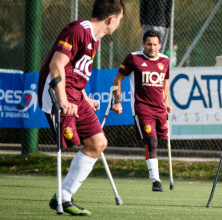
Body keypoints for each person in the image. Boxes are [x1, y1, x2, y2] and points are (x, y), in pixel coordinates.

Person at [38, 0, 125, 216]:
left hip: (76, 96)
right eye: (120, 20)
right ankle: (63, 197)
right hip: (57, 95)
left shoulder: (94, 40)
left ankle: (63, 196)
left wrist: (86, 98)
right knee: (71, 140)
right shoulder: (77, 30)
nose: (119, 24)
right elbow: (56, 65)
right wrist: (63, 101)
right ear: (111, 19)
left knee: (98, 143)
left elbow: (76, 73)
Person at [112, 30, 172, 192]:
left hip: (160, 109)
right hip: (142, 108)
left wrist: (167, 102)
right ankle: (156, 180)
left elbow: (166, 82)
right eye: (149, 44)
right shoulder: (133, 58)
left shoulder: (165, 60)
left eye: (155, 44)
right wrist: (116, 101)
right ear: (143, 44)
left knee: (161, 141)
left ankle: (158, 177)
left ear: (160, 45)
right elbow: (117, 79)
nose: (152, 47)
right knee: (151, 141)